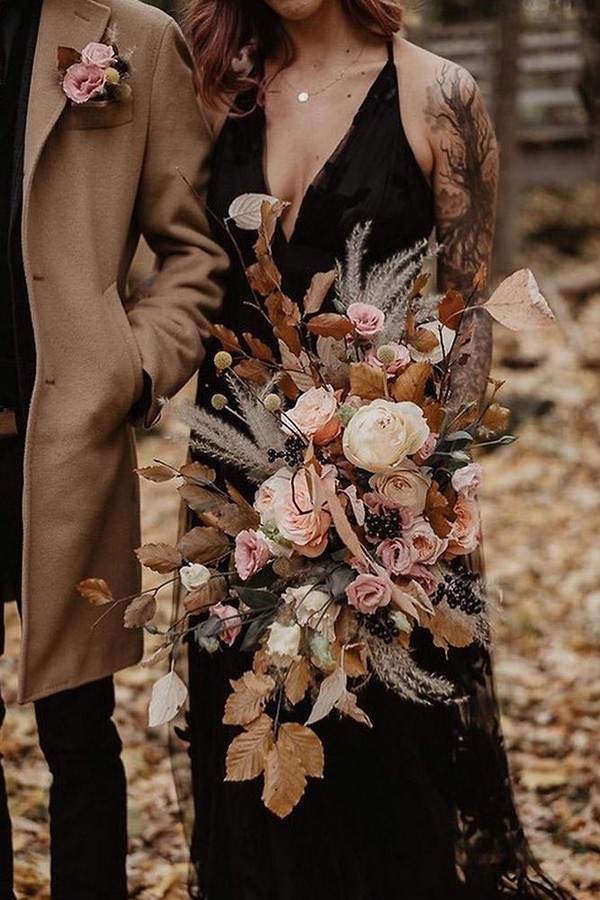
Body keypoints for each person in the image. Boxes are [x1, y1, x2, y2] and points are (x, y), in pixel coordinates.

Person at [182, 1, 571, 898]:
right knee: (250, 730)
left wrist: (420, 487)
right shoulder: (218, 91)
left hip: (388, 478)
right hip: (236, 476)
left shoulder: (441, 96)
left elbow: (468, 313)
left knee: (384, 749)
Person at [0, 0, 226, 897]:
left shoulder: (133, 31)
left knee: (79, 734)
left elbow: (196, 250)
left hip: (68, 439)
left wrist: (134, 369)